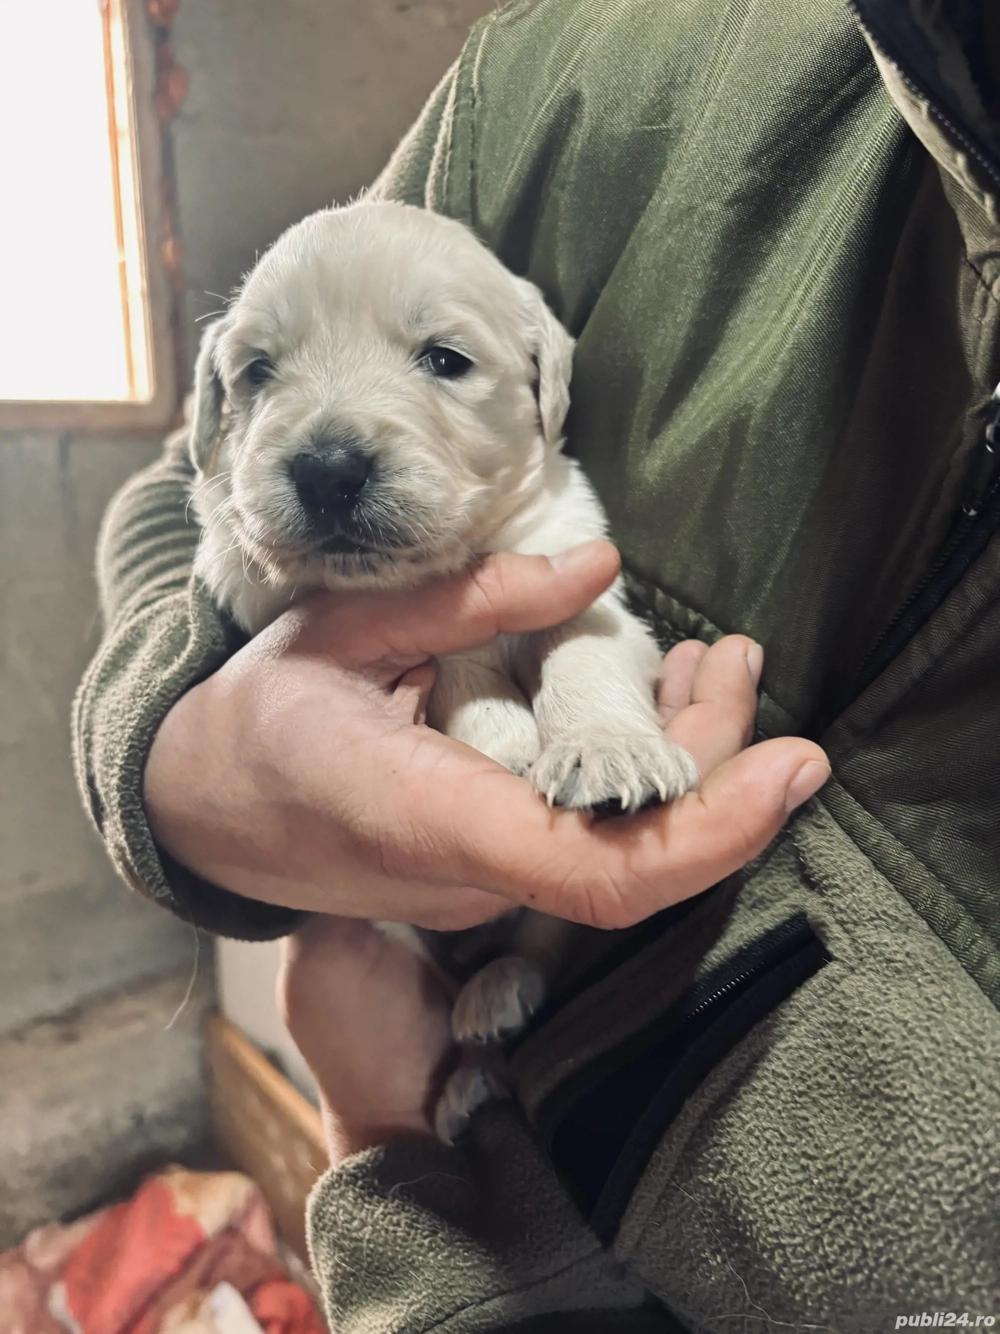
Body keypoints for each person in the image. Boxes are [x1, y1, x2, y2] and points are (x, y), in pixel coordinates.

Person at [75, 0, 1000, 1329]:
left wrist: (389, 1144)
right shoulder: (575, 70)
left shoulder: (536, 497)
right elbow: (183, 503)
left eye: (442, 363)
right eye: (268, 372)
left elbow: (587, 632)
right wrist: (173, 755)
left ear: (542, 385)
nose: (331, 443)